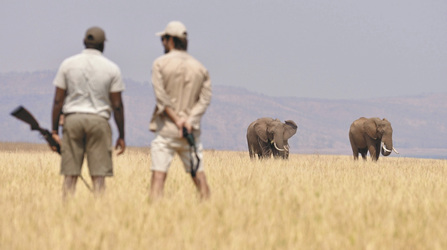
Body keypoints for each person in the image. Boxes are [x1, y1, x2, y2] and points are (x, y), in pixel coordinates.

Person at [51, 26, 126, 198]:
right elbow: (117, 105)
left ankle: (65, 210)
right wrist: (122, 135)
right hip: (99, 121)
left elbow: (58, 100)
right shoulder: (112, 68)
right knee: (99, 175)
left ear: (84, 42)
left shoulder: (68, 64)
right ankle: (99, 212)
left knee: (70, 173)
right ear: (103, 45)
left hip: (73, 119)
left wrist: (54, 130)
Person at [149, 21, 212, 200]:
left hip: (166, 129)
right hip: (190, 132)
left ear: (170, 40)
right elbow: (205, 98)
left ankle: (153, 217)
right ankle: (211, 213)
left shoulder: (160, 64)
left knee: (158, 176)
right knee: (199, 176)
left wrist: (177, 120)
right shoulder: (199, 67)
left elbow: (161, 97)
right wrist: (190, 121)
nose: (162, 42)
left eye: (163, 39)